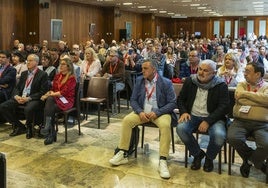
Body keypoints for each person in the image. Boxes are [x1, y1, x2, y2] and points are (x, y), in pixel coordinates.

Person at [109, 59, 177, 179]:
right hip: (143, 112)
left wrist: (157, 112)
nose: (142, 71)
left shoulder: (166, 82)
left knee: (165, 125)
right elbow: (133, 100)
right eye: (142, 68)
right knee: (127, 120)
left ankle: (163, 159)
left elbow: (172, 103)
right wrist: (140, 112)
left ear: (154, 70)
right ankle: (123, 152)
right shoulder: (140, 80)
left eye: (145, 68)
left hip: (160, 113)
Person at [176, 59, 230, 173]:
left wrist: (208, 121)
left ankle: (209, 158)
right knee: (181, 128)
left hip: (213, 118)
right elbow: (181, 99)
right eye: (200, 69)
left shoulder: (220, 85)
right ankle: (197, 154)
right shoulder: (191, 81)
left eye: (205, 71)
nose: (201, 73)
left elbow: (224, 106)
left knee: (219, 135)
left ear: (214, 73)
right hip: (193, 115)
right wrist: (184, 112)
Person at [227, 62, 268, 178]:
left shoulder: (266, 86)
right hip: (241, 121)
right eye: (244, 71)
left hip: (262, 124)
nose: (244, 74)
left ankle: (249, 161)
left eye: (247, 71)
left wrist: (245, 95)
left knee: (266, 144)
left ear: (258, 74)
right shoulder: (241, 84)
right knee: (232, 138)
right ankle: (258, 161)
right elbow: (239, 99)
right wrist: (260, 102)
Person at [0, 54, 48, 138]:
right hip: (21, 97)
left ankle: (29, 127)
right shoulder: (24, 73)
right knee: (3, 106)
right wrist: (16, 96)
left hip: (33, 98)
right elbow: (17, 88)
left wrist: (28, 98)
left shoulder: (42, 74)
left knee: (28, 109)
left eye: (30, 60)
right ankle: (19, 126)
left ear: (36, 62)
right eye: (27, 60)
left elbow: (42, 91)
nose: (27, 62)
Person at [40, 58, 76, 145]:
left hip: (66, 100)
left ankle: (49, 130)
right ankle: (50, 131)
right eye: (60, 64)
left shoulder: (72, 78)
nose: (61, 66)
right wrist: (47, 94)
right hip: (56, 99)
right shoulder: (57, 76)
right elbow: (52, 89)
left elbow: (63, 93)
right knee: (49, 104)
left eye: (63, 64)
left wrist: (48, 95)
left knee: (49, 103)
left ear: (68, 67)